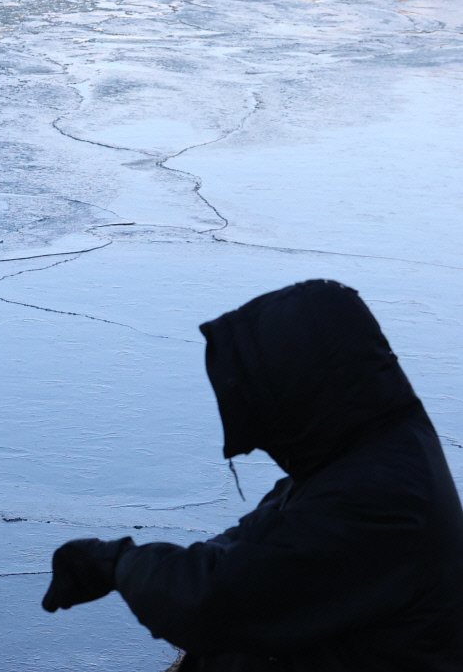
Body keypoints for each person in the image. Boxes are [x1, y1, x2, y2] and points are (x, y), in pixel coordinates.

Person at [42, 279, 463, 671]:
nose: (258, 438)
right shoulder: (372, 443)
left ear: (304, 382)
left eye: (265, 395)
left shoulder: (379, 497)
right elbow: (267, 536)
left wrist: (117, 564)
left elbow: (219, 598)